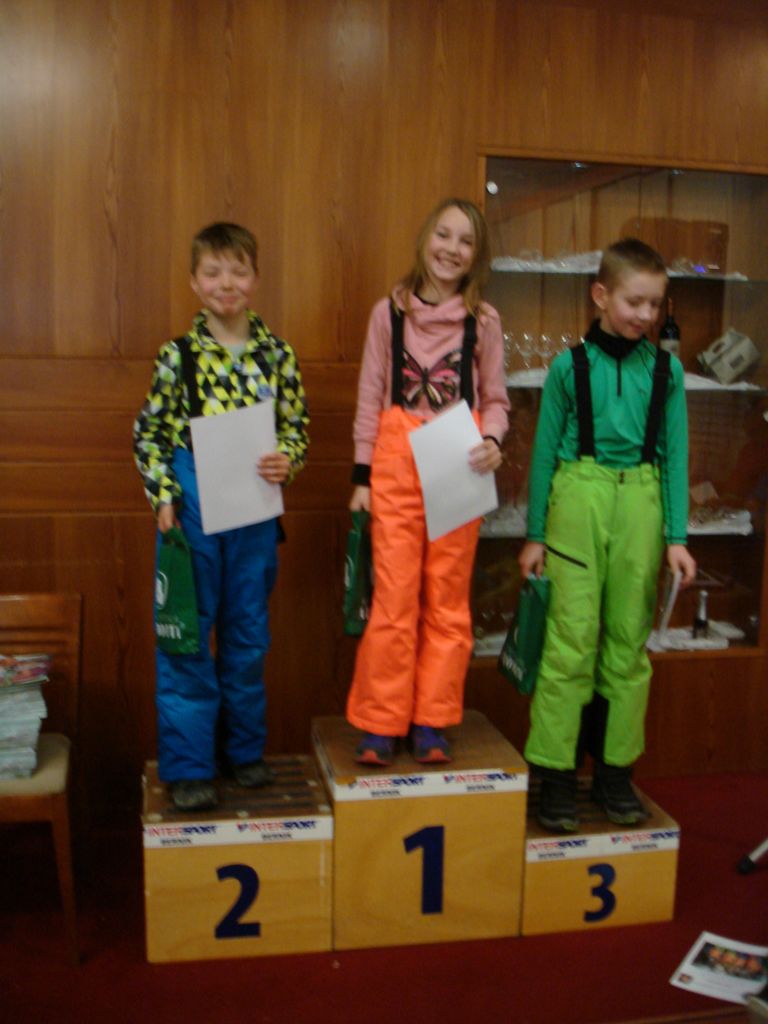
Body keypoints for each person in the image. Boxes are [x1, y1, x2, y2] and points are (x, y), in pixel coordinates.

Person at [518, 237, 697, 832]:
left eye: (655, 304)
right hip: (578, 498)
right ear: (600, 295)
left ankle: (615, 773)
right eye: (634, 302)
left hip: (642, 502)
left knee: (626, 644)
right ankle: (557, 775)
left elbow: (676, 456)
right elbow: (544, 454)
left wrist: (676, 536)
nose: (645, 315)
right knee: (570, 641)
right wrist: (535, 535)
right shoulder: (567, 367)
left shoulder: (667, 372)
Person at [133, 222, 309, 812]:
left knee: (247, 636)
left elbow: (296, 429)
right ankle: (189, 767)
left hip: (254, 513)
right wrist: (164, 495)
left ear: (255, 278)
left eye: (238, 270)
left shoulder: (278, 355)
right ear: (194, 281)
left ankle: (243, 752)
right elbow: (150, 436)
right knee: (186, 637)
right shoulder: (176, 357)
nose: (226, 283)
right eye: (213, 272)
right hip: (191, 512)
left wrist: (289, 459)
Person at [346, 198, 509, 766]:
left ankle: (431, 720)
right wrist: (362, 476)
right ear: (425, 239)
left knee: (447, 598)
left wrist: (493, 440)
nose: (452, 249)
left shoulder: (483, 321)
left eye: (466, 241)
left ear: (476, 256)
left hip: (457, 460)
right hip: (394, 460)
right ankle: (380, 721)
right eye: (444, 234)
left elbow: (496, 400)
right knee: (393, 597)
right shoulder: (387, 314)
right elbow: (369, 396)